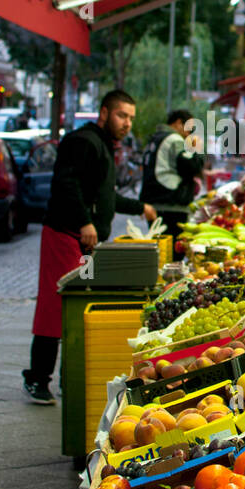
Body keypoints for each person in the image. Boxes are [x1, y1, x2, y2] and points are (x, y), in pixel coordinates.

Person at [25, 89, 156, 404]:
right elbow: (66, 184)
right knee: (55, 307)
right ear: (104, 112)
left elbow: (104, 196)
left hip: (83, 239)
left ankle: (69, 378)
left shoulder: (103, 146)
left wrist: (140, 207)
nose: (126, 123)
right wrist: (85, 222)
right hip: (65, 233)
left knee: (75, 308)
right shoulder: (83, 142)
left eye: (130, 118)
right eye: (121, 115)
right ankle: (38, 378)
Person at [140, 109, 204, 243]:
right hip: (170, 205)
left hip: (154, 203)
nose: (189, 134)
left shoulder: (156, 138)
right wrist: (197, 149)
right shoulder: (174, 139)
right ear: (179, 123)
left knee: (161, 249)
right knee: (173, 252)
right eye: (189, 129)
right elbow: (191, 167)